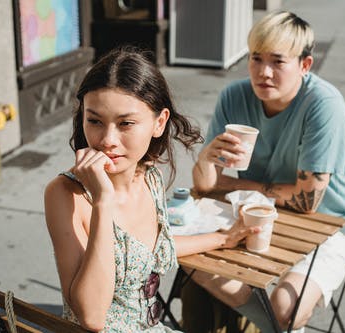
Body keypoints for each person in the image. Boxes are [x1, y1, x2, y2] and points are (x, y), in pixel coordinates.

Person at [44, 46, 259, 333]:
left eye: (126, 124)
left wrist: (224, 239)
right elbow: (92, 317)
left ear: (159, 123)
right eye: (94, 120)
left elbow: (155, 249)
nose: (107, 139)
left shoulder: (149, 178)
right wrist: (103, 202)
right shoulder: (65, 194)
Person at [184, 11, 345, 332]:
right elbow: (205, 185)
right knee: (191, 265)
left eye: (278, 62)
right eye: (256, 58)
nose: (263, 73)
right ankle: (263, 325)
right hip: (257, 214)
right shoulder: (235, 96)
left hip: (330, 224)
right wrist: (207, 160)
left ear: (304, 65)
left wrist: (240, 186)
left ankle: (264, 323)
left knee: (286, 308)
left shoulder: (324, 104)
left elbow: (307, 200)